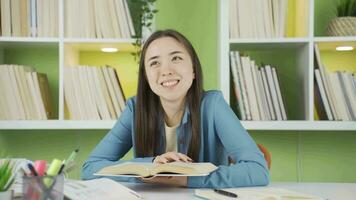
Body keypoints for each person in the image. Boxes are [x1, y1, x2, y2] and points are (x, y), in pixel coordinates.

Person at [82, 29, 269, 188]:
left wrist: (187, 179)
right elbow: (91, 168)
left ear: (194, 70)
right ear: (146, 77)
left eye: (176, 58)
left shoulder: (213, 105)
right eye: (154, 62)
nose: (166, 70)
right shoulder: (135, 109)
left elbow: (258, 170)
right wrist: (149, 167)